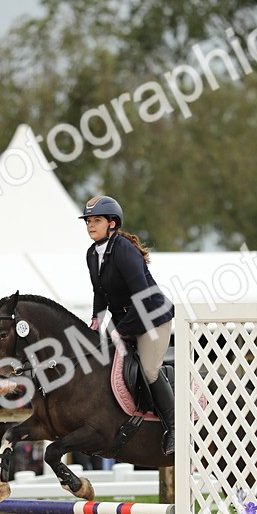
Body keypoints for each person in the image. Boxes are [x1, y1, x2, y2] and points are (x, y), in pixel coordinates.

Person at [80, 195, 177, 455]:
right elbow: (99, 292)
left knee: (149, 370)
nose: (90, 225)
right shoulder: (92, 254)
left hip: (152, 317)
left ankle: (175, 427)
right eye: (88, 221)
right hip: (125, 319)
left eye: (96, 220)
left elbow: (142, 298)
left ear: (112, 223)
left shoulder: (124, 249)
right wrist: (95, 321)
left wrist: (120, 331)